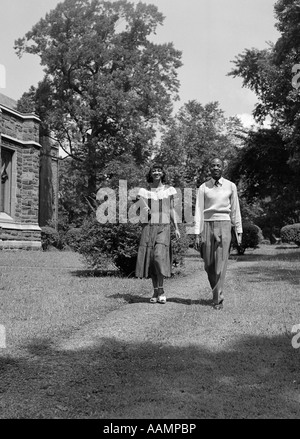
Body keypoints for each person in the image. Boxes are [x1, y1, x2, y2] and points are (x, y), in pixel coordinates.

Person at [195, 157, 242, 310]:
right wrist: (197, 232)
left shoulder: (231, 186)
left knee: (220, 264)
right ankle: (216, 292)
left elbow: (235, 209)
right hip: (207, 225)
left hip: (224, 224)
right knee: (209, 265)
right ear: (210, 168)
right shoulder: (203, 187)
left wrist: (238, 229)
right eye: (213, 165)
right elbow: (198, 211)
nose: (215, 168)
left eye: (218, 165)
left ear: (223, 168)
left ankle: (217, 298)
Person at [135, 163, 180, 304]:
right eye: (154, 170)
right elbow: (138, 207)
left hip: (164, 226)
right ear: (151, 173)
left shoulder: (169, 190)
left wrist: (176, 227)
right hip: (149, 226)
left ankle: (161, 290)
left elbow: (172, 209)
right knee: (152, 260)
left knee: (159, 256)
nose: (156, 172)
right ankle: (156, 291)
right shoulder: (144, 192)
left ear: (162, 173)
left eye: (159, 170)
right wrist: (143, 208)